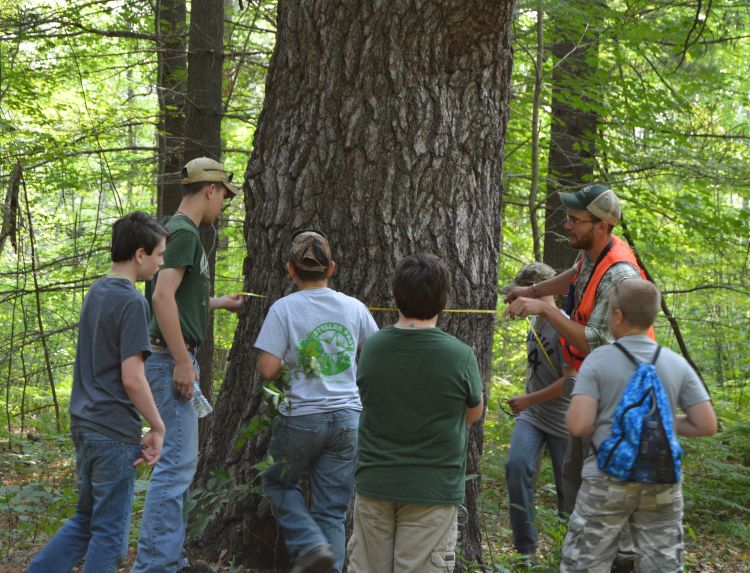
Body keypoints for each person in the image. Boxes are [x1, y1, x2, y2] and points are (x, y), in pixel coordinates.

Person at [28, 212, 169, 573]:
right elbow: (133, 377)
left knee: (85, 522)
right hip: (112, 432)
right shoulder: (132, 301)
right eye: (159, 255)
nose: (161, 262)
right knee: (109, 534)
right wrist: (157, 426)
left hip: (85, 425)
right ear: (140, 254)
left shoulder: (97, 291)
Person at [132, 158, 244, 573]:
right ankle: (155, 566)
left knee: (179, 465)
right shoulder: (182, 232)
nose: (223, 206)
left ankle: (169, 560)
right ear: (210, 190)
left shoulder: (176, 232)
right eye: (223, 197)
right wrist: (182, 362)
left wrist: (216, 303)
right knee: (175, 468)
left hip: (168, 357)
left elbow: (178, 298)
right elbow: (161, 298)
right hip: (168, 360)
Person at [561, 278, 717, 572]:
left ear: (617, 316)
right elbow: (706, 424)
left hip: (606, 479)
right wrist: (654, 422)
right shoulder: (676, 362)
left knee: (585, 562)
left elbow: (578, 425)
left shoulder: (597, 361)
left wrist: (616, 421)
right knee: (662, 563)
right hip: (661, 480)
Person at [347, 253, 484, 573]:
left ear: (394, 295)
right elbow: (474, 412)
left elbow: (368, 397)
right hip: (433, 488)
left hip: (375, 482)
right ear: (444, 300)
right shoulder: (459, 355)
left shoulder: (373, 347)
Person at [256, 229, 378, 573]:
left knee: (277, 481)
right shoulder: (354, 308)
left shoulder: (284, 309)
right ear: (332, 268)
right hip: (348, 418)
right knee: (332, 510)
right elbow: (375, 355)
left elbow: (267, 369)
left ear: (291, 270)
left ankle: (310, 544)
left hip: (301, 417)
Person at [501, 262, 572, 560]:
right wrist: (530, 403)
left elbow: (571, 381)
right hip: (533, 416)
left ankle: (569, 553)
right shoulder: (535, 321)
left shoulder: (564, 327)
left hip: (564, 420)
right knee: (516, 467)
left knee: (567, 492)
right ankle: (525, 552)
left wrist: (528, 400)